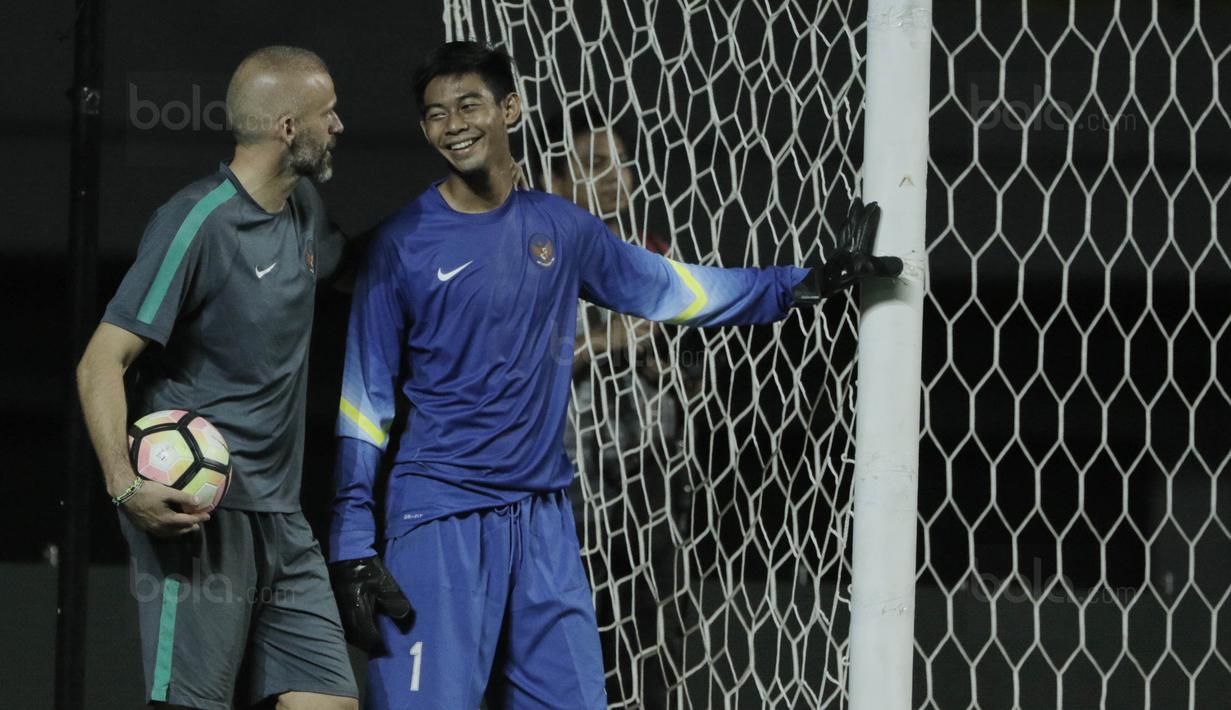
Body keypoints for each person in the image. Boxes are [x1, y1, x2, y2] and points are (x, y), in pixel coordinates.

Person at [326, 41, 900, 710]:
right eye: (434, 114)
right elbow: (362, 405)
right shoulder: (400, 244)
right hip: (440, 515)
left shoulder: (562, 229)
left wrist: (801, 284)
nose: (452, 124)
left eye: (469, 104)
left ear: (509, 108)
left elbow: (674, 289)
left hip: (543, 519)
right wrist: (351, 541)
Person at [76, 46, 363, 710]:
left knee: (330, 702)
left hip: (283, 517)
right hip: (201, 514)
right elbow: (99, 363)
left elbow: (353, 266)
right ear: (289, 129)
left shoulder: (305, 209)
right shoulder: (195, 223)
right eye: (330, 113)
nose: (341, 126)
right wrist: (125, 489)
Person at [546, 103, 696, 708]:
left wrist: (669, 365)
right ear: (556, 179)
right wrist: (609, 343)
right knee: (561, 650)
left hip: (648, 488)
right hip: (562, 488)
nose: (615, 177)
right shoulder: (534, 253)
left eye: (622, 164)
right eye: (594, 163)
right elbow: (515, 365)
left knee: (649, 651)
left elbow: (687, 365)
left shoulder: (652, 250)